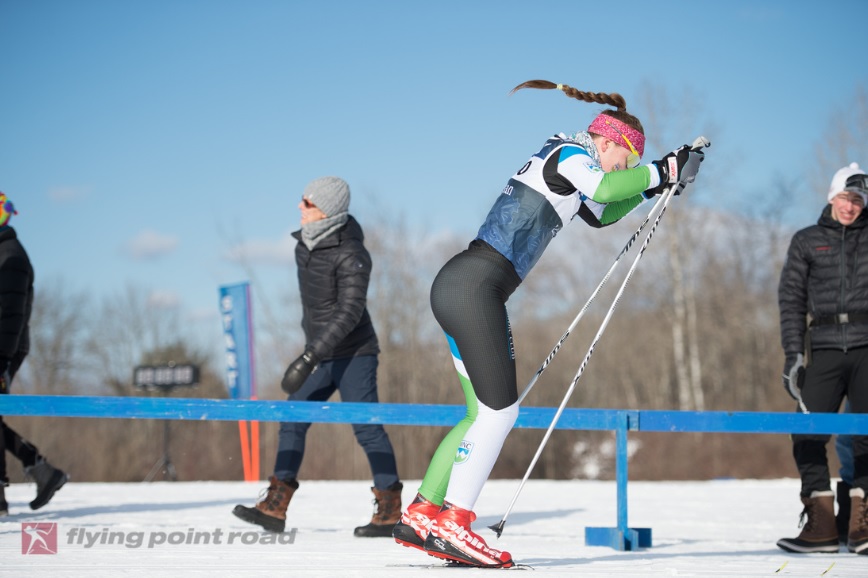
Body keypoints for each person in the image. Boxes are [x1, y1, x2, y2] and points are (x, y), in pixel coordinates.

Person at [391, 80, 705, 567]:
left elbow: (602, 212)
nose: (622, 169)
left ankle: (423, 513)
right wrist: (662, 168)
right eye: (625, 160)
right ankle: (454, 522)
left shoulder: (571, 165)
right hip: (476, 286)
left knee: (481, 413)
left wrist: (657, 183)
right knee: (500, 414)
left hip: (464, 284)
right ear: (609, 142)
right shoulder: (568, 154)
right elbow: (605, 186)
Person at [233, 176, 402, 537]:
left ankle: (389, 510)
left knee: (367, 428)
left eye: (307, 203)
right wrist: (313, 351)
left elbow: (350, 311)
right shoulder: (303, 247)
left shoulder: (353, 253)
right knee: (292, 417)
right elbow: (316, 309)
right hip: (320, 353)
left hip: (355, 354)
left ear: (326, 209)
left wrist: (310, 355)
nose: (300, 207)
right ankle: (275, 507)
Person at [777, 162, 868, 555]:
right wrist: (794, 354)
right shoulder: (807, 240)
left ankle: (862, 521)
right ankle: (821, 524)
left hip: (867, 346)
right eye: (846, 198)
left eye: (859, 200)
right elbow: (791, 300)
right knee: (808, 431)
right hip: (826, 347)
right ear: (832, 197)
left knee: (866, 434)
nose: (851, 207)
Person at [0, 192, 69, 516]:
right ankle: (39, 471)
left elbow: (10, 315)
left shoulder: (11, 256)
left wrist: (1, 359)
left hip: (4, 348)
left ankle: (39, 470)